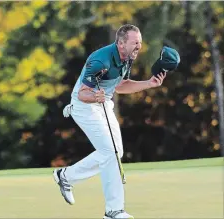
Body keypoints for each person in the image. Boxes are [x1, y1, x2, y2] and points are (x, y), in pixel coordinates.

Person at [53, 24, 167, 219]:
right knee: (110, 152)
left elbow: (120, 86)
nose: (139, 46)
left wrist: (149, 83)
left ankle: (65, 176)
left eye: (140, 42)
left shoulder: (128, 58)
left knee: (116, 152)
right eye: (135, 43)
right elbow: (83, 93)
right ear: (121, 43)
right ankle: (113, 211)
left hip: (103, 101)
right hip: (84, 105)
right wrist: (95, 98)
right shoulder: (100, 60)